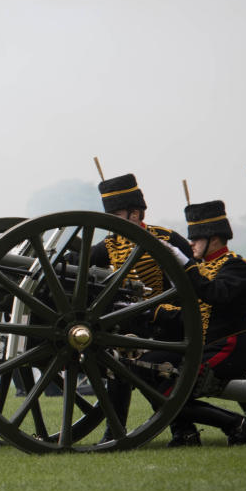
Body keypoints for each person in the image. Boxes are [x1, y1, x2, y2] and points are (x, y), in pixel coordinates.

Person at [89, 173, 193, 436]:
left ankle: (183, 429)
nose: (110, 221)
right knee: (118, 361)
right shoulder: (108, 247)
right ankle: (115, 430)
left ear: (135, 214)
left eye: (116, 214)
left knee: (134, 365)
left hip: (166, 328)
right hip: (127, 328)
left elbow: (194, 283)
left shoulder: (165, 239)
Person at [151, 199, 246, 446]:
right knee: (145, 369)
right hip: (201, 348)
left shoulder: (236, 266)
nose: (190, 244)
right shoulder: (201, 269)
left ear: (214, 238)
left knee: (172, 395)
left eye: (196, 238)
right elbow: (185, 310)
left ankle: (236, 424)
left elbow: (215, 294)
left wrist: (187, 266)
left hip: (227, 349)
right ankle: (186, 434)